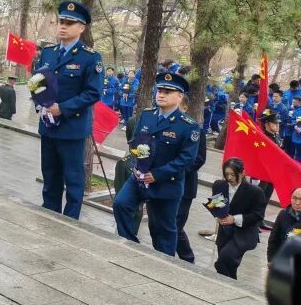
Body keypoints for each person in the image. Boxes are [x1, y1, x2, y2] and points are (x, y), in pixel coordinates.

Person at [112, 71, 199, 257]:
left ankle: (164, 264)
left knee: (163, 230)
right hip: (139, 178)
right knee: (120, 204)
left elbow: (186, 159)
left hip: (166, 184)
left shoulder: (188, 125)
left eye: (168, 92)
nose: (161, 95)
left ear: (180, 96)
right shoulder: (147, 115)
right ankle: (131, 246)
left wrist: (157, 174)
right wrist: (136, 165)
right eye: (160, 90)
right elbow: (135, 142)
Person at [33, 0, 103, 220]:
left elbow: (93, 93)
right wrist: (40, 104)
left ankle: (70, 223)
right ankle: (49, 216)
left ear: (81, 28)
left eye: (69, 23)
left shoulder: (89, 57)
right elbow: (37, 82)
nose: (63, 26)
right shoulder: (48, 52)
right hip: (48, 126)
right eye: (61, 21)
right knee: (50, 177)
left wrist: (62, 108)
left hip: (72, 128)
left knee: (73, 180)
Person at [211, 158, 267, 279]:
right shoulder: (219, 185)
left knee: (224, 259)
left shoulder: (255, 192)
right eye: (226, 174)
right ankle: (230, 284)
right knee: (228, 265)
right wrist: (218, 216)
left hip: (244, 234)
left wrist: (235, 219)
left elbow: (258, 215)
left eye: (233, 174)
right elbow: (216, 205)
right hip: (224, 231)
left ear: (242, 173)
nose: (229, 178)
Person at [173, 96, 206, 264]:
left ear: (185, 108)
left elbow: (199, 159)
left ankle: (187, 259)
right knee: (166, 223)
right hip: (167, 184)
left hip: (185, 185)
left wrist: (177, 168)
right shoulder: (167, 126)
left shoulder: (196, 130)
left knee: (176, 225)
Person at [267, 188, 301, 264]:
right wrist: (271, 260)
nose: (297, 203)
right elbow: (274, 239)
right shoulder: (283, 214)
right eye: (294, 198)